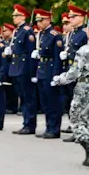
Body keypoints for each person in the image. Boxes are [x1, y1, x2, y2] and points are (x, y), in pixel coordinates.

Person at [52, 20, 89, 166]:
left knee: (76, 121)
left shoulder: (85, 50)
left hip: (85, 88)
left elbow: (74, 73)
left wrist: (60, 79)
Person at [5, 4, 37, 135]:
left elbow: (30, 52)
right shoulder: (18, 31)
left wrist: (31, 71)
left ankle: (30, 124)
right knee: (22, 96)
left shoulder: (27, 31)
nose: (13, 17)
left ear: (23, 16)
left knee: (28, 97)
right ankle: (26, 123)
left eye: (16, 15)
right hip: (17, 65)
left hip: (24, 67)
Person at [32, 9, 63, 139]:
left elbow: (57, 57)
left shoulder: (54, 35)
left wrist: (56, 74)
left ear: (48, 20)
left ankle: (54, 129)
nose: (38, 23)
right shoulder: (42, 34)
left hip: (50, 70)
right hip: (42, 69)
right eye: (37, 21)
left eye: (41, 20)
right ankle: (48, 127)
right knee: (44, 102)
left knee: (52, 102)